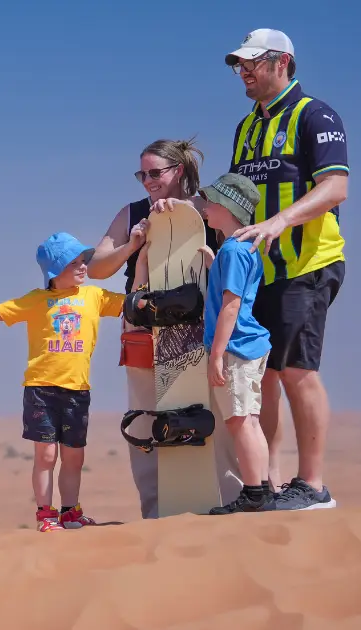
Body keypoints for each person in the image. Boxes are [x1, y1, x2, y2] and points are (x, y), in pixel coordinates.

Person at [222, 28, 347, 510]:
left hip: (308, 262)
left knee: (297, 370)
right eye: (240, 65)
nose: (245, 72)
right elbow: (234, 196)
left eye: (254, 62)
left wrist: (280, 221)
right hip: (260, 272)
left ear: (283, 62)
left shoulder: (315, 114)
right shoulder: (246, 127)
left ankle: (313, 486)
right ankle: (267, 487)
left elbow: (335, 188)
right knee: (264, 375)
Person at [87, 139, 243, 519]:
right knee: (144, 415)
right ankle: (155, 511)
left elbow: (240, 245)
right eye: (143, 174)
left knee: (214, 413)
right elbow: (97, 267)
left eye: (155, 173)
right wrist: (135, 241)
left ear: (180, 170)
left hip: (201, 326)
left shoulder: (208, 208)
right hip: (142, 325)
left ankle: (230, 500)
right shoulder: (132, 213)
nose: (147, 181)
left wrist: (190, 215)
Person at [0, 232, 125, 531]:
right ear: (55, 270)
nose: (83, 267)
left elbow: (134, 302)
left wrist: (138, 247)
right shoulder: (37, 300)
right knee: (46, 455)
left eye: (83, 260)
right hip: (41, 390)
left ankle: (71, 512)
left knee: (74, 456)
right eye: (74, 263)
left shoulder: (95, 297)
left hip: (77, 390)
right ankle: (46, 515)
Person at [136, 174, 274, 514]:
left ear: (227, 207)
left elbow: (230, 305)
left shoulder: (234, 250)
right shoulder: (242, 249)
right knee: (248, 419)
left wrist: (215, 355)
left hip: (236, 347)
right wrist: (215, 266)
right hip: (248, 346)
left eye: (210, 203)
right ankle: (261, 490)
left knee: (240, 421)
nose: (205, 210)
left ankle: (255, 493)